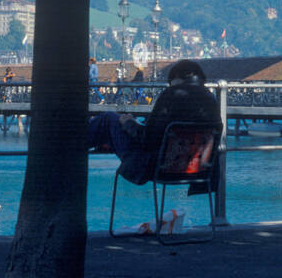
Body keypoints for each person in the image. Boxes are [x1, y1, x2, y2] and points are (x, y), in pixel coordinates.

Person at [87, 59, 220, 186]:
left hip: (155, 168)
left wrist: (128, 122)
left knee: (109, 119)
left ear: (176, 78)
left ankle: (70, 144)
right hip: (198, 172)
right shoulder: (211, 98)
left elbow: (147, 139)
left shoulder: (171, 94)